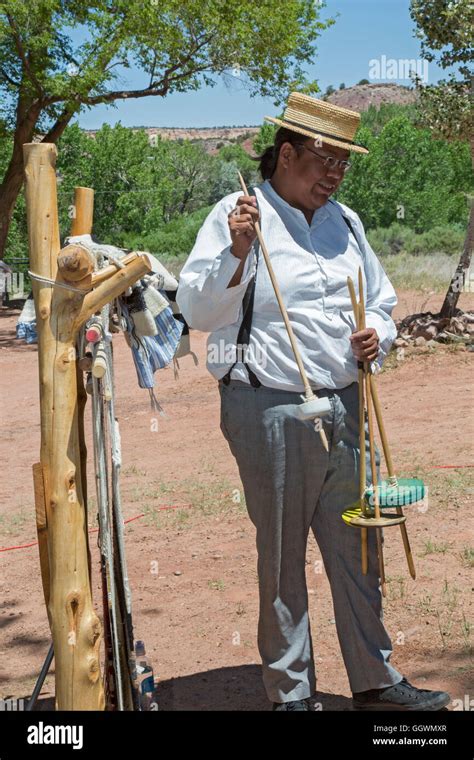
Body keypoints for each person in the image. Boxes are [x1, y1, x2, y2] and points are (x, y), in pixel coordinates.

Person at [176, 93, 450, 712]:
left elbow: (381, 300)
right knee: (282, 559)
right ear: (288, 153)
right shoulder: (238, 215)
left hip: (348, 404)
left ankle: (375, 682)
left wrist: (378, 334)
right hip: (267, 408)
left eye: (343, 165)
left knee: (359, 547)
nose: (334, 176)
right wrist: (237, 253)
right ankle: (291, 695)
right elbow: (196, 311)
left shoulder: (346, 223)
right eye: (325, 160)